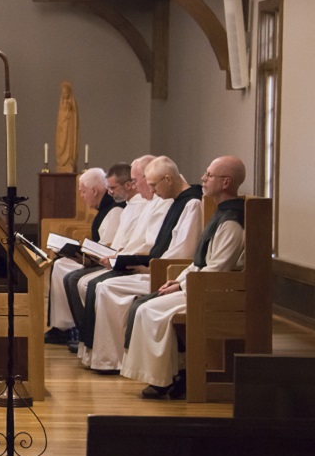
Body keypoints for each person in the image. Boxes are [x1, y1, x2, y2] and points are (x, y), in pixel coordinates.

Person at [121, 156, 248, 399]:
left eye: (209, 175)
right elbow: (200, 261)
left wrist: (184, 286)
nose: (203, 178)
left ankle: (164, 379)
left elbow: (217, 270)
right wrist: (179, 281)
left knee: (151, 311)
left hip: (214, 293)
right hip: (201, 286)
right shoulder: (220, 213)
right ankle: (175, 372)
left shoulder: (232, 222)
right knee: (146, 305)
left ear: (225, 182)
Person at [80, 156, 203, 373]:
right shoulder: (178, 201)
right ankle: (108, 358)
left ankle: (115, 360)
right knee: (101, 286)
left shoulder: (192, 203)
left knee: (107, 288)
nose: (153, 192)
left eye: (153, 185)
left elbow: (181, 252)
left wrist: (144, 265)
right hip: (158, 267)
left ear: (168, 179)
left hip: (165, 272)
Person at [62, 156, 171, 354]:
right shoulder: (137, 205)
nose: (140, 186)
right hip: (127, 258)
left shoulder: (154, 205)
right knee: (77, 278)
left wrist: (120, 258)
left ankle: (104, 350)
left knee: (90, 283)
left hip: (147, 266)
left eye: (139, 181)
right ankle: (90, 342)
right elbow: (127, 242)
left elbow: (149, 246)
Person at [45, 166, 125, 345]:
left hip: (108, 263)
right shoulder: (105, 208)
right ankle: (64, 326)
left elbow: (109, 248)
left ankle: (70, 327)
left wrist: (82, 254)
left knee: (62, 267)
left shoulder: (115, 210)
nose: (82, 196)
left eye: (83, 192)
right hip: (100, 261)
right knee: (60, 263)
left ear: (94, 190)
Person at [55, 81, 78, 173]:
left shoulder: (72, 105)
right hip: (62, 129)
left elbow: (74, 119)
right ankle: (62, 161)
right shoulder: (61, 105)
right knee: (61, 143)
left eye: (66, 93)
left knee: (68, 144)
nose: (65, 95)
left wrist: (69, 109)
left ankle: (69, 160)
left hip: (69, 131)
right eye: (63, 93)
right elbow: (60, 119)